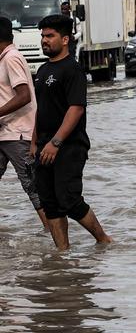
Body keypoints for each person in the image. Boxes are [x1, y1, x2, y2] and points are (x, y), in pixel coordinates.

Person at [32, 15, 112, 250]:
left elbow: (76, 109)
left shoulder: (73, 69)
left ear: (65, 39)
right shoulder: (44, 69)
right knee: (49, 203)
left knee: (68, 199)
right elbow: (41, 109)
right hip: (44, 145)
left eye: (50, 36)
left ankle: (103, 240)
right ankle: (62, 254)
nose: (44, 41)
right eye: (43, 36)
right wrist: (34, 142)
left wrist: (56, 142)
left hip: (68, 145)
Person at [0, 17, 48, 230]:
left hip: (18, 134)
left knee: (32, 186)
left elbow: (24, 95)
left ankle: (54, 234)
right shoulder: (4, 58)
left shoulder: (11, 58)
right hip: (4, 132)